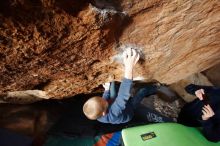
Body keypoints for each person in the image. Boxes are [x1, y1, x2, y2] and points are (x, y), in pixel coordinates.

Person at [83, 48, 158, 124]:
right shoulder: (112, 114)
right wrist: (129, 67)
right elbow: (122, 97)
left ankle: (125, 87)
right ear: (104, 113)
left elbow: (104, 99)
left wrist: (106, 90)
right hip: (129, 110)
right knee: (142, 91)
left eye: (101, 98)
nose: (104, 98)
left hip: (115, 103)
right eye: (104, 101)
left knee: (112, 84)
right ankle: (157, 88)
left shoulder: (99, 112)